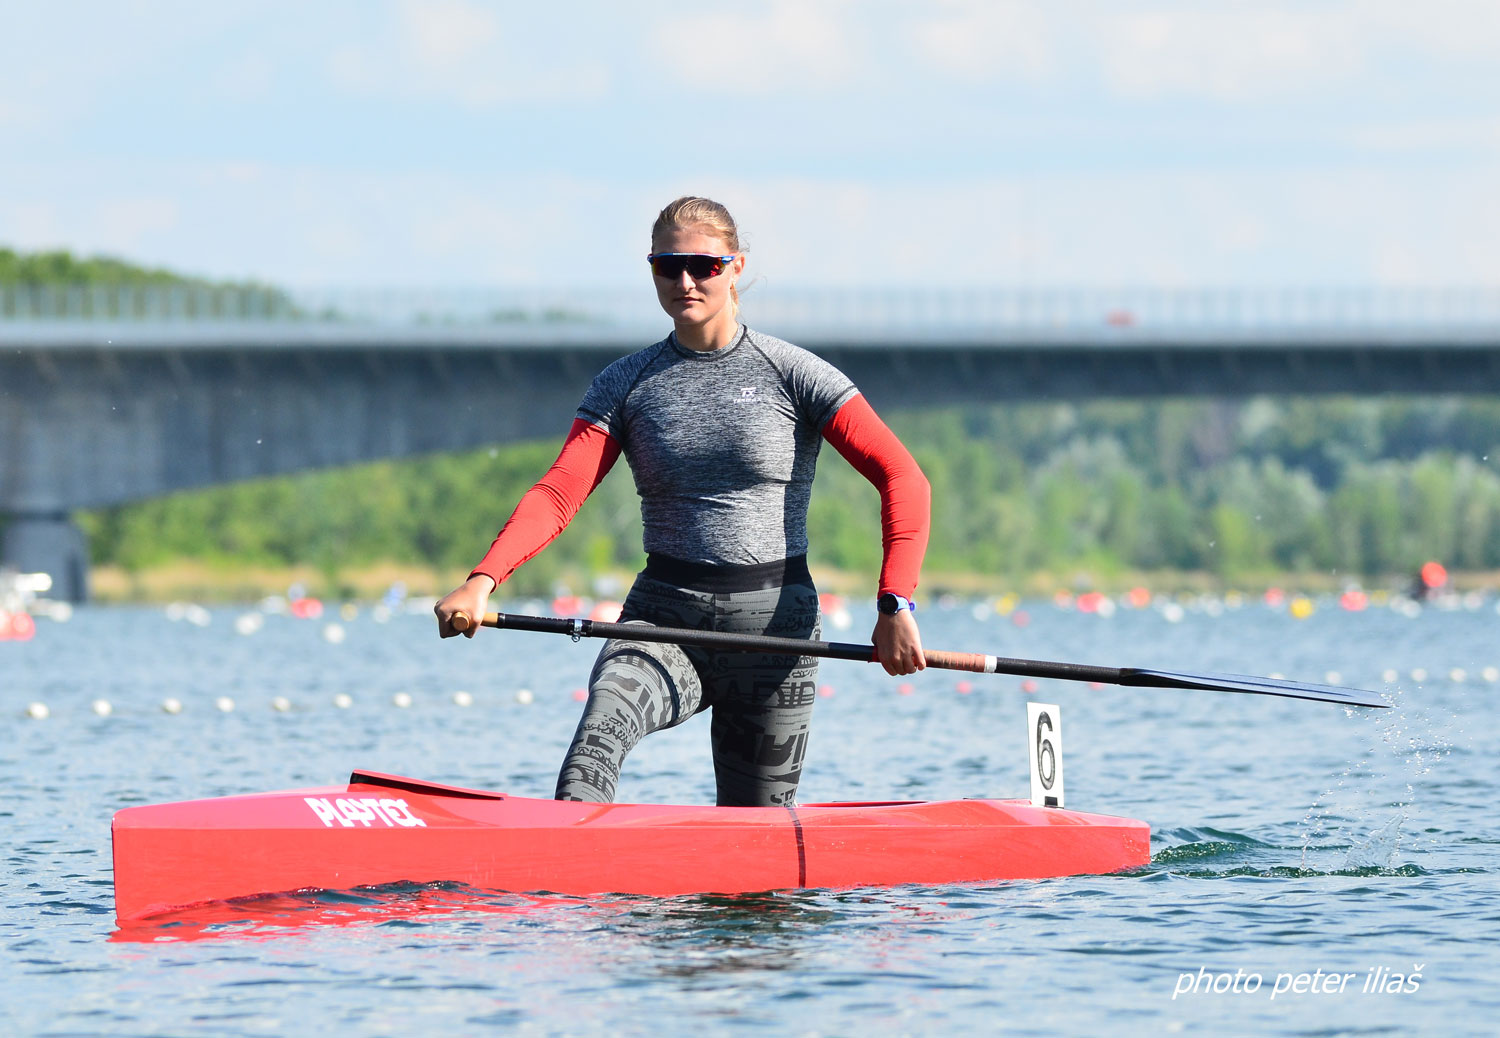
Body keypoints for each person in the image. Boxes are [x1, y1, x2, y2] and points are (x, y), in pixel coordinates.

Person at [435, 196, 930, 807]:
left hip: (775, 636)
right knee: (599, 733)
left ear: (736, 266)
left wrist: (895, 601)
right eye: (668, 266)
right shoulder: (625, 383)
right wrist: (482, 580)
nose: (686, 281)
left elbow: (903, 477)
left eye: (704, 265)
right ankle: (560, 877)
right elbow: (560, 491)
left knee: (759, 857)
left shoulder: (794, 372)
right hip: (663, 619)